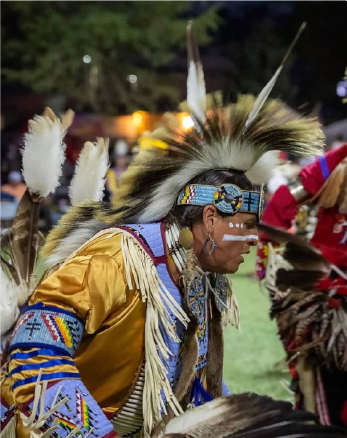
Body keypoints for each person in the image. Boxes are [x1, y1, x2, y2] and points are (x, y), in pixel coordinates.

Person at [0, 25, 324, 438]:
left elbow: (194, 387)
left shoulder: (196, 280)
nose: (252, 240)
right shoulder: (115, 259)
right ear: (209, 219)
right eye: (243, 226)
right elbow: (32, 353)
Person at [257, 144, 347, 428]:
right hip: (324, 315)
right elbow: (280, 206)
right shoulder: (334, 168)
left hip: (322, 311)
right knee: (321, 402)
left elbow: (279, 208)